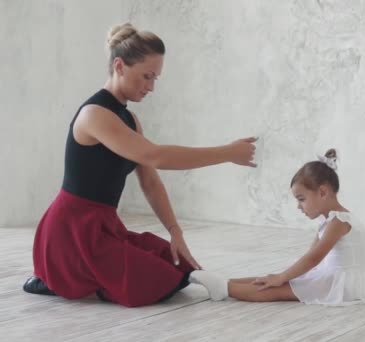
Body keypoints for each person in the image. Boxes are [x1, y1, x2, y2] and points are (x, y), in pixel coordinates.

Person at [22, 23, 257, 307]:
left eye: (155, 78)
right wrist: (227, 152)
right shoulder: (94, 115)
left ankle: (79, 277)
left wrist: (175, 232)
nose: (151, 87)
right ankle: (57, 277)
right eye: (147, 77)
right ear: (119, 66)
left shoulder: (130, 120)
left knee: (172, 261)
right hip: (71, 230)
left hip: (103, 226)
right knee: (152, 282)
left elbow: (150, 180)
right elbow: (155, 156)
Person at [191, 149, 365, 306]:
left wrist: (282, 278)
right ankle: (225, 281)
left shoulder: (339, 221)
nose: (298, 206)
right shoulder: (328, 221)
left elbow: (313, 258)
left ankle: (224, 289)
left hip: (341, 286)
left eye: (301, 199)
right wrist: (280, 276)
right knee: (274, 280)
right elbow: (309, 256)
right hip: (331, 277)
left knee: (277, 289)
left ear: (323, 192)